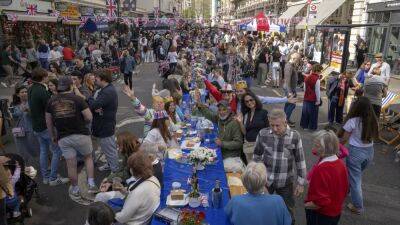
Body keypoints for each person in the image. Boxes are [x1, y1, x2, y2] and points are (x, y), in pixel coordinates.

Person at [45, 76, 97, 199]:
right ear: (71, 86)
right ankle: (91, 183)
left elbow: (48, 122)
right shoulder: (77, 99)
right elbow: (89, 117)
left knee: (71, 164)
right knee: (88, 158)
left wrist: (52, 135)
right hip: (81, 134)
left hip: (63, 137)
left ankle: (75, 188)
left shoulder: (51, 101)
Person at [254, 109, 307, 223]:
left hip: (285, 182)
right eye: (271, 125)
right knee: (262, 209)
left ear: (285, 122)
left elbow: (300, 160)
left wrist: (301, 183)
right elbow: (256, 157)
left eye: (277, 125)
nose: (274, 129)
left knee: (288, 211)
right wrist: (259, 179)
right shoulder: (262, 134)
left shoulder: (295, 136)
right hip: (266, 181)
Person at [28, 68, 68, 186]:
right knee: (56, 151)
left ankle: (46, 176)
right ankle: (53, 178)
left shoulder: (31, 89)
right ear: (43, 77)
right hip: (45, 126)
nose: (47, 78)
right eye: (46, 76)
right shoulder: (42, 91)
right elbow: (52, 108)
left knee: (44, 151)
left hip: (36, 126)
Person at [338, 96, 378, 214]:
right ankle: (349, 191)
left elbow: (344, 139)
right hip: (370, 152)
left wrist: (335, 145)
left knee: (355, 179)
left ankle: (358, 206)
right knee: (356, 175)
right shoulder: (373, 120)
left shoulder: (353, 121)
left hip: (356, 153)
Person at [225, 162, 291, 225]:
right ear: (265, 181)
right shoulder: (278, 201)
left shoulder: (236, 201)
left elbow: (227, 216)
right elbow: (287, 222)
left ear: (244, 182)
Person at [305, 130, 349, 225]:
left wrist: (306, 205)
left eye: (316, 145)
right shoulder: (340, 164)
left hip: (321, 215)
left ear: (324, 148)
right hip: (335, 212)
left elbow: (320, 202)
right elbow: (345, 189)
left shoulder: (321, 169)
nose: (313, 148)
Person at [115, 151, 161, 225]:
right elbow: (141, 200)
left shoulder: (138, 192)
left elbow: (122, 218)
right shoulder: (154, 179)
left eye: (130, 167)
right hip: (144, 218)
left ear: (133, 170)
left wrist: (110, 215)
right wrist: (124, 191)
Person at [88, 69, 119, 172]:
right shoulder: (104, 89)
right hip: (103, 124)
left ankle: (115, 171)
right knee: (106, 148)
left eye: (96, 78)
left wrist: (90, 99)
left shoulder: (108, 91)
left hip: (106, 125)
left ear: (103, 79)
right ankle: (110, 165)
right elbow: (97, 105)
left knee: (109, 149)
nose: (95, 80)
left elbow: (94, 104)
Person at [10, 85, 38, 166]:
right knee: (21, 149)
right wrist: (13, 114)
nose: (25, 93)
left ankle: (48, 163)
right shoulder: (14, 104)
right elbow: (13, 118)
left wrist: (28, 111)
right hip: (19, 129)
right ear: (18, 94)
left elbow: (36, 114)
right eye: (22, 92)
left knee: (38, 146)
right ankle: (25, 166)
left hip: (31, 128)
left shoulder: (32, 102)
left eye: (26, 92)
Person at [238, 91, 268, 162]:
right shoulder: (246, 114)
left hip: (260, 146)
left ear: (255, 99)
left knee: (260, 169)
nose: (249, 102)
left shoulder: (263, 112)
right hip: (248, 146)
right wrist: (240, 122)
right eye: (246, 101)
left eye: (251, 100)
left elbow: (268, 130)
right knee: (251, 169)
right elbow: (245, 132)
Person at [300, 63, 322, 131]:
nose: (320, 72)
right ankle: (312, 127)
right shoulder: (317, 79)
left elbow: (304, 88)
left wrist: (306, 94)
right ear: (317, 71)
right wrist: (318, 100)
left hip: (306, 98)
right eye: (320, 70)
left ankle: (304, 126)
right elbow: (317, 91)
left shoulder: (307, 77)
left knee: (305, 112)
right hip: (313, 99)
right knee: (313, 114)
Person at [283, 53, 301, 126]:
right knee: (292, 105)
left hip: (290, 88)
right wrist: (290, 92)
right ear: (293, 58)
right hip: (289, 89)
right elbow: (287, 80)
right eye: (298, 59)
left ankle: (286, 119)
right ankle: (285, 121)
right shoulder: (289, 66)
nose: (298, 61)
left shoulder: (291, 65)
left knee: (288, 104)